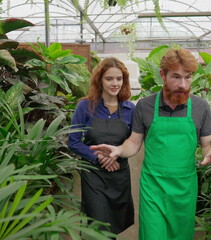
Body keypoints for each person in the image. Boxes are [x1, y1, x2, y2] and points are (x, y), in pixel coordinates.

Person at [90, 48, 211, 240]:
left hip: (184, 188)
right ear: (163, 75)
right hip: (153, 187)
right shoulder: (145, 106)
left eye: (188, 77)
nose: (183, 84)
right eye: (176, 77)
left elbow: (208, 144)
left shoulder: (200, 107)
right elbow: (134, 142)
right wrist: (118, 149)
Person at [67, 57, 135, 236]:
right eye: (109, 78)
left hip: (119, 174)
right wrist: (99, 157)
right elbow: (73, 142)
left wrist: (115, 155)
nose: (115, 83)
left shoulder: (130, 109)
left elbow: (134, 141)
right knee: (96, 223)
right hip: (94, 175)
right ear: (100, 80)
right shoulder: (85, 107)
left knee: (114, 224)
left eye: (119, 79)